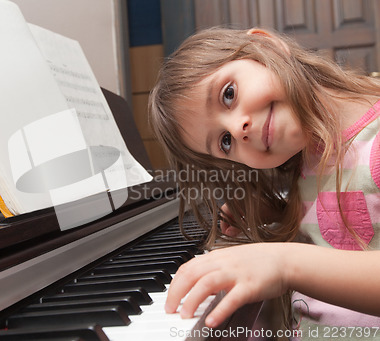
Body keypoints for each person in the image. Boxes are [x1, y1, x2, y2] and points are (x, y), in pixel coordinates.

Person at [149, 27, 380, 337]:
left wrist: (283, 264)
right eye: (226, 142)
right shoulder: (309, 155)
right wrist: (280, 213)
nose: (239, 127)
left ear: (266, 45)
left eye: (228, 94)